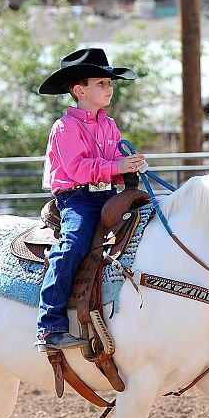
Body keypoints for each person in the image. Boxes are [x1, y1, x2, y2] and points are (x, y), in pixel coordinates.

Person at [35, 48, 147, 352]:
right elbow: (77, 169)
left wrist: (128, 168)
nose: (109, 88)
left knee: (148, 220)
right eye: (102, 83)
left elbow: (113, 162)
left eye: (110, 84)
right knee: (73, 244)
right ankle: (50, 325)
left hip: (108, 194)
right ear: (79, 90)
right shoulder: (65, 127)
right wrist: (116, 167)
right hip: (77, 199)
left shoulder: (109, 125)